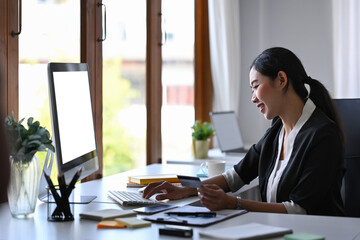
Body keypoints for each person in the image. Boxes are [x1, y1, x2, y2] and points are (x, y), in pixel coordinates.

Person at [143, 47, 345, 216]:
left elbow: (299, 210)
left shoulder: (323, 135)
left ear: (281, 80)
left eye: (256, 86)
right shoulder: (277, 131)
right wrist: (187, 190)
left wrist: (234, 204)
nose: (253, 98)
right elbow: (237, 176)